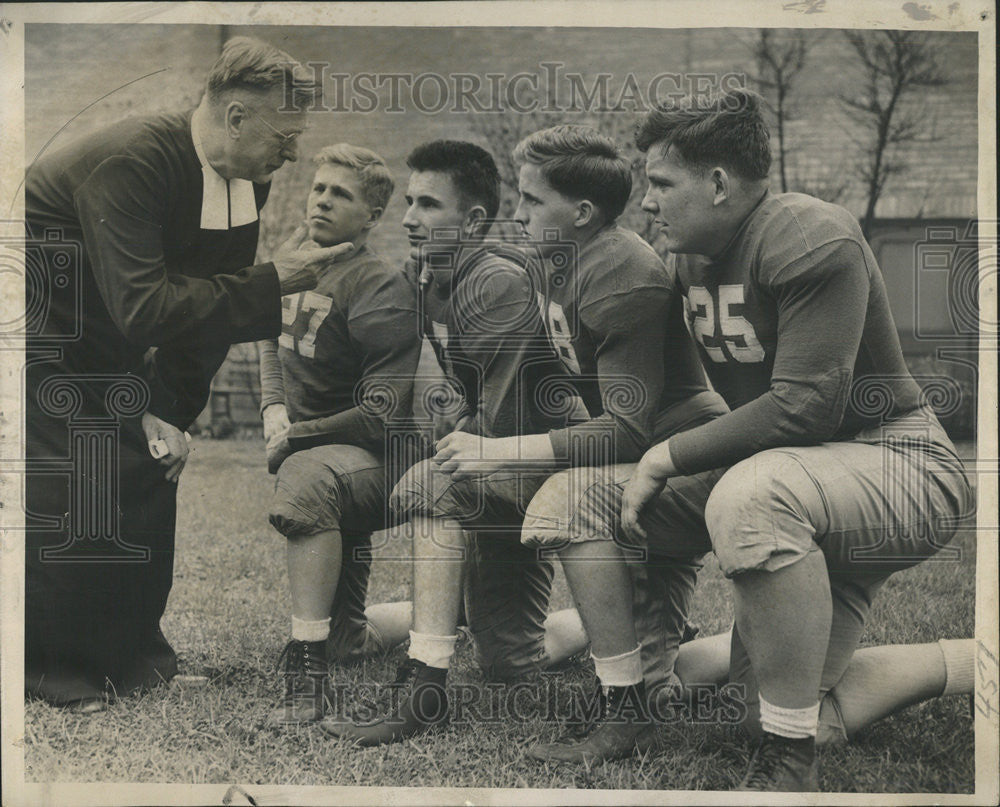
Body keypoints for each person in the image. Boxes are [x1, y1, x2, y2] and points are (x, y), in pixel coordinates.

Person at [527, 88, 973, 791]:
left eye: (663, 183)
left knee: (751, 495)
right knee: (575, 498)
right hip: (787, 475)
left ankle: (809, 749)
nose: (646, 202)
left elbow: (808, 407)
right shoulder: (685, 255)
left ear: (718, 183)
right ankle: (632, 696)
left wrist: (665, 456)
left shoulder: (804, 232)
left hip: (896, 464)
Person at [327, 129, 730, 747]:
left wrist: (494, 450)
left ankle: (734, 647)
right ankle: (425, 681)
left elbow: (627, 430)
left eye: (533, 201)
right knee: (507, 659)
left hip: (670, 466)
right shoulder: (545, 259)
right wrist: (471, 419)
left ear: (582, 214)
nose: (518, 215)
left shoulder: (626, 273)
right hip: (607, 461)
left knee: (662, 683)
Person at [24, 37, 351, 710]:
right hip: (42, 337)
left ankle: (135, 659)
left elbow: (212, 305)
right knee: (83, 490)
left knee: (150, 466)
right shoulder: (133, 160)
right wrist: (270, 283)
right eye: (285, 137)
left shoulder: (246, 177)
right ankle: (60, 673)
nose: (293, 154)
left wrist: (171, 409)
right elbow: (148, 308)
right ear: (236, 118)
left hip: (109, 338)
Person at [320, 139, 590, 746]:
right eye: (409, 201)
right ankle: (450, 617)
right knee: (509, 664)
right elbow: (464, 389)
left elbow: (508, 421)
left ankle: (425, 684)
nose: (410, 217)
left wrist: (450, 440)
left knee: (430, 484)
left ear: (472, 220)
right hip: (501, 458)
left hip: (551, 459)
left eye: (429, 204)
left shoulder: (494, 281)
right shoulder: (426, 272)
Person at [257, 144, 423, 726]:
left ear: (372, 216)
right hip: (323, 447)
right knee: (347, 637)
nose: (323, 200)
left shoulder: (378, 284)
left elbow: (379, 414)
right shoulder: (293, 257)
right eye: (319, 188)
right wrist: (274, 406)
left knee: (305, 480)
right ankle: (446, 616)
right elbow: (268, 335)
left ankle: (305, 674)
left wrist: (294, 437)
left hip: (389, 460)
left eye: (342, 195)